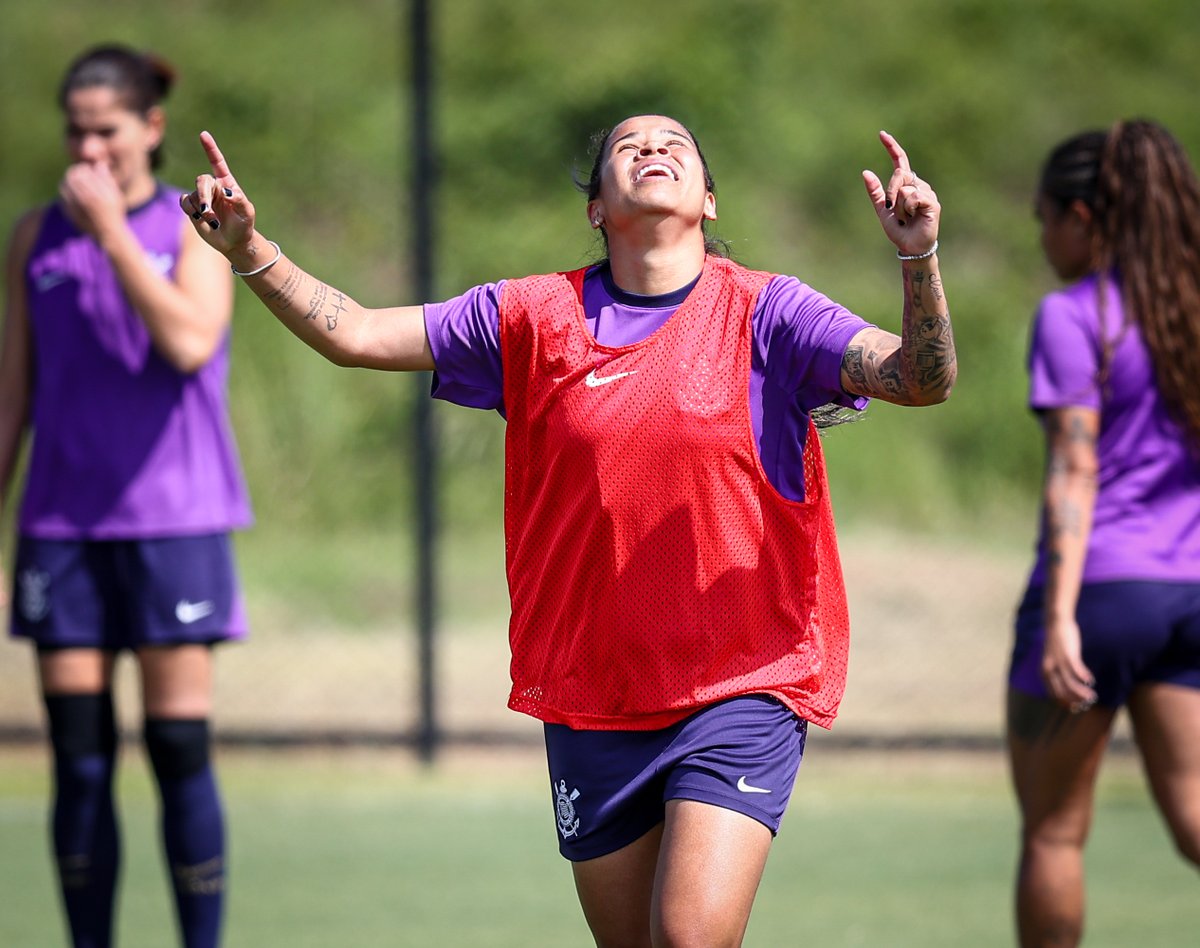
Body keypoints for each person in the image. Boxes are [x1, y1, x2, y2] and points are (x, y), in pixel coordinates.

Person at [181, 113, 954, 947]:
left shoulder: (770, 314)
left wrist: (918, 258)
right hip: (596, 692)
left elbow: (922, 377)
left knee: (690, 938)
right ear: (596, 209)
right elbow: (360, 334)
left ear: (710, 201)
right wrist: (249, 251)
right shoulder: (530, 316)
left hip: (745, 679)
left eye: (675, 145)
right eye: (628, 146)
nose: (653, 150)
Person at [0, 45, 252, 948]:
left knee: (178, 750)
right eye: (75, 130)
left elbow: (189, 342)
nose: (88, 148)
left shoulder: (196, 228)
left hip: (174, 522)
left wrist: (113, 234)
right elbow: (12, 396)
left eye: (106, 129)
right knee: (77, 759)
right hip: (61, 528)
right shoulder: (33, 237)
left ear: (150, 127)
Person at [1007, 119, 1200, 948]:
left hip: (1102, 591)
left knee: (1054, 833)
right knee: (1194, 810)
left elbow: (1075, 468)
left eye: (1045, 217)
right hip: (1191, 592)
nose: (1043, 237)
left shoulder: (1074, 315)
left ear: (1082, 216)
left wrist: (1059, 614)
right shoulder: (1189, 318)